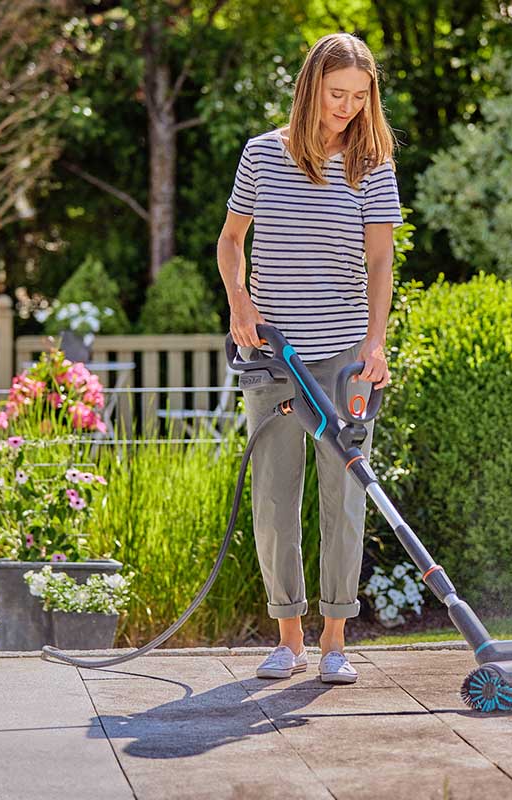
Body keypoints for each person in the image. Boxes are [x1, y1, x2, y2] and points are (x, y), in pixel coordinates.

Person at [216, 32, 402, 685]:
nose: (348, 107)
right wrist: (240, 302)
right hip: (272, 354)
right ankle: (288, 638)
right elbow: (231, 239)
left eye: (359, 95)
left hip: (344, 354)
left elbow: (380, 259)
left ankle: (333, 644)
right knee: (273, 497)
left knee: (345, 496)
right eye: (336, 94)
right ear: (310, 89)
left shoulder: (372, 162)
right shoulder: (263, 156)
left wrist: (375, 342)